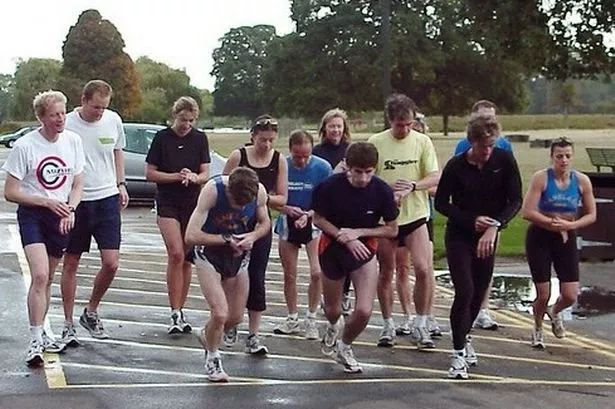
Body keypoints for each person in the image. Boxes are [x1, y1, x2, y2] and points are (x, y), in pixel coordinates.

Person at [434, 114, 522, 379]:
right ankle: (458, 353)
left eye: (492, 146)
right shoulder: (456, 166)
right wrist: (470, 219)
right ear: (471, 142)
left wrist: (496, 225)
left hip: (489, 234)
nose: (487, 152)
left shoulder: (503, 161)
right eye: (483, 146)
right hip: (460, 235)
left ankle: (464, 334)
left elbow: (515, 199)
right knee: (465, 289)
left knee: (479, 291)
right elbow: (441, 203)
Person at [2, 90, 85, 366]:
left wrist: (70, 209)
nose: (60, 119)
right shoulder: (26, 146)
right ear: (41, 118)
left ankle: (46, 333)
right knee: (39, 275)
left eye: (62, 113)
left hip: (61, 215)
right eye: (54, 115)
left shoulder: (73, 141)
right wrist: (45, 202)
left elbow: (77, 183)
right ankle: (35, 339)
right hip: (34, 214)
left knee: (48, 277)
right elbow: (10, 192)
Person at [313, 141, 398, 373]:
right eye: (357, 172)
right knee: (334, 309)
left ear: (375, 169)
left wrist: (360, 233)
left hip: (365, 250)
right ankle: (332, 324)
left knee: (364, 310)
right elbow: (318, 219)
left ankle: (345, 345)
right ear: (346, 167)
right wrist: (344, 237)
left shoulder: (381, 190)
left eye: (368, 172)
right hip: (332, 248)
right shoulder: (329, 187)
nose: (362, 178)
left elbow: (392, 229)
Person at [368, 94, 440, 349]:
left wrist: (413, 186)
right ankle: (388, 323)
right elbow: (367, 179)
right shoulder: (376, 143)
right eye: (400, 124)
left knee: (422, 268)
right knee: (387, 271)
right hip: (387, 220)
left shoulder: (422, 142)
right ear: (390, 120)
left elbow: (434, 176)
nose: (405, 129)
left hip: (416, 215)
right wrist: (387, 192)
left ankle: (420, 323)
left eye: (409, 124)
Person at [185, 167, 270, 382]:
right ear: (230, 191)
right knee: (220, 313)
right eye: (237, 203)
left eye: (245, 205)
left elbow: (265, 222)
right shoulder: (213, 191)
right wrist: (225, 239)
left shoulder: (259, 192)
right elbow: (191, 235)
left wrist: (253, 236)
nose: (241, 207)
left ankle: (207, 335)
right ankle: (212, 358)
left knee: (234, 318)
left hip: (238, 257)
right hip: (209, 254)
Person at [60, 80, 128, 344]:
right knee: (72, 262)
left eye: (104, 107)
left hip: (107, 197)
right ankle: (67, 322)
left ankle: (91, 310)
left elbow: (117, 152)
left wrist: (121, 183)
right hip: (77, 200)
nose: (99, 112)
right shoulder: (66, 123)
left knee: (111, 262)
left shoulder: (113, 121)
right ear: (84, 100)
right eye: (95, 107)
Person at [222, 115, 288, 355]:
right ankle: (230, 322)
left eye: (271, 140)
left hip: (260, 223)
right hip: (234, 222)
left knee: (257, 276)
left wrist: (260, 197)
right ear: (253, 137)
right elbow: (222, 186)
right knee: (231, 275)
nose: (267, 145)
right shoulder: (238, 156)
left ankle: (253, 333)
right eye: (262, 140)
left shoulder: (279, 161)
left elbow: (282, 198)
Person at [521, 137, 596, 348]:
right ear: (552, 157)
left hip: (566, 236)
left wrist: (570, 226)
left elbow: (591, 215)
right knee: (543, 293)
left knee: (570, 295)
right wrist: (553, 223)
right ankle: (537, 327)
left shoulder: (581, 181)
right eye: (559, 156)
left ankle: (555, 313)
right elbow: (527, 212)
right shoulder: (541, 178)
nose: (563, 160)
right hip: (540, 236)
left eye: (568, 156)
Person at [145, 96, 210, 334]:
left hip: (192, 201)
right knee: (175, 253)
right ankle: (173, 311)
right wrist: (175, 176)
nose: (186, 125)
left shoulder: (199, 138)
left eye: (191, 121)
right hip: (168, 200)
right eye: (183, 119)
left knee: (186, 257)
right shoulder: (162, 138)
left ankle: (181, 310)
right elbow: (150, 173)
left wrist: (194, 177)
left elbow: (205, 172)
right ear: (175, 116)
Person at [454, 99, 514, 331]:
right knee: (466, 271)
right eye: (483, 117)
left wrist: (499, 219)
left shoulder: (505, 147)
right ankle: (468, 310)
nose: (488, 122)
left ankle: (483, 308)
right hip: (469, 214)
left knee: (487, 261)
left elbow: (510, 183)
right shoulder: (463, 147)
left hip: (493, 214)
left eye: (492, 117)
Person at [272, 130, 332, 339]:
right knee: (290, 274)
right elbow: (270, 197)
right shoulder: (282, 165)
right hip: (288, 221)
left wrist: (309, 214)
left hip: (313, 220)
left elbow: (328, 201)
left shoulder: (323, 168)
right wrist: (286, 209)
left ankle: (312, 318)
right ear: (290, 151)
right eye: (297, 157)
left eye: (306, 156)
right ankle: (292, 318)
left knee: (317, 272)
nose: (302, 161)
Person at [312, 108, 353, 314]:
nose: (336, 130)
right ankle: (330, 294)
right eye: (332, 126)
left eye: (339, 126)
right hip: (326, 208)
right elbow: (315, 182)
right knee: (328, 254)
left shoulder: (351, 150)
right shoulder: (318, 152)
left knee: (347, 250)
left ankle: (345, 293)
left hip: (348, 205)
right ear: (324, 128)